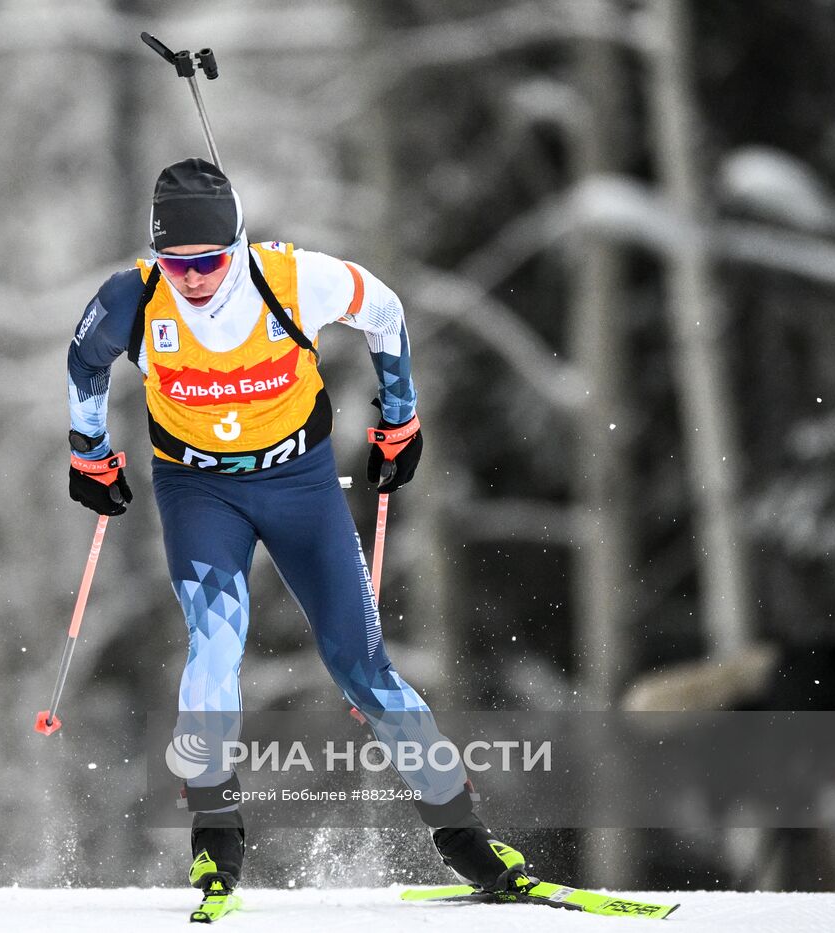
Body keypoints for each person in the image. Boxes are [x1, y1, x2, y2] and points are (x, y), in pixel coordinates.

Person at [65, 159, 526, 914]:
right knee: (216, 641)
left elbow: (386, 310)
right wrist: (87, 450)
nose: (194, 278)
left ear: (238, 244)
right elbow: (84, 359)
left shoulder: (292, 280)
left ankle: (465, 835)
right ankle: (214, 834)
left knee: (360, 663)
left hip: (300, 486)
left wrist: (400, 414)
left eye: (209, 261)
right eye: (177, 262)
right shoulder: (134, 298)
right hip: (197, 488)